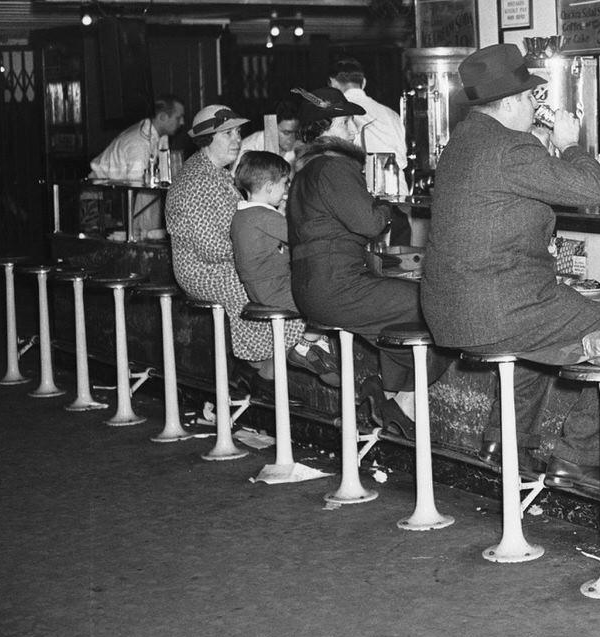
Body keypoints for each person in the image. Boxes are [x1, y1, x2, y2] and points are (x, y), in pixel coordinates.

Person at [421, 43, 600, 491]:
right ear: (511, 102)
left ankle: (506, 442)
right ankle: (579, 459)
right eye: (530, 98)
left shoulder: (463, 141)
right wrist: (571, 144)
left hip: (452, 307)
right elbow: (590, 189)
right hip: (502, 307)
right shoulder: (512, 148)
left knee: (538, 343)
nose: (535, 106)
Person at [287, 86, 440, 433]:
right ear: (325, 127)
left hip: (312, 290)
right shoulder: (334, 168)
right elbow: (369, 223)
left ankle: (383, 394)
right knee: (439, 308)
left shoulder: (306, 170)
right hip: (338, 288)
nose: (355, 129)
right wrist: (385, 205)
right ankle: (398, 404)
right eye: (347, 123)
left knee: (399, 321)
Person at [165, 104, 308, 393]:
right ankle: (258, 371)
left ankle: (264, 371)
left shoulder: (219, 172)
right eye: (227, 134)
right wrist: (263, 251)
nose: (236, 139)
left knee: (280, 281)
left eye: (238, 132)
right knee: (269, 288)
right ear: (206, 139)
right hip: (204, 271)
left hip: (230, 261)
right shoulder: (196, 180)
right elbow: (210, 248)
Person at [231, 151, 338, 386]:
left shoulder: (245, 213)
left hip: (264, 286)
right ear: (269, 187)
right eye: (284, 184)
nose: (286, 189)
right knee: (329, 298)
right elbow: (302, 234)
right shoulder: (263, 216)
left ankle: (315, 345)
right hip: (273, 288)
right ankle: (307, 345)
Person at [89, 93, 185, 180]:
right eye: (178, 118)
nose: (182, 122)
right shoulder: (139, 143)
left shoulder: (160, 136)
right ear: (162, 117)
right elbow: (138, 187)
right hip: (99, 192)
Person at [329, 56, 407, 163]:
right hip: (397, 177)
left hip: (362, 177)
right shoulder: (391, 114)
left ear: (333, 83)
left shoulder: (337, 114)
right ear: (364, 83)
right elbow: (402, 158)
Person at [235, 99, 304, 170]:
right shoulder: (249, 147)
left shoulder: (299, 149)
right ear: (271, 128)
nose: (292, 139)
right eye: (286, 133)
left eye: (295, 132)